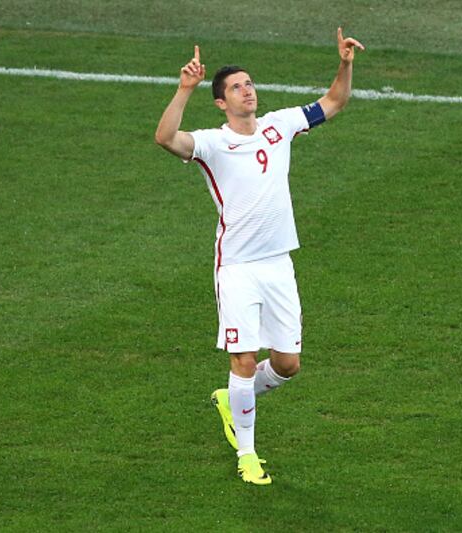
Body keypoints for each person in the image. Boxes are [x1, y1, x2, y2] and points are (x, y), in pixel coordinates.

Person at [154, 28, 364, 485]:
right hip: (237, 268)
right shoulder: (211, 143)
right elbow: (165, 137)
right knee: (244, 361)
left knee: (287, 364)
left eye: (249, 83)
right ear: (221, 102)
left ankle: (232, 399)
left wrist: (345, 63)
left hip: (278, 264)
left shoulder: (279, 125)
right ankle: (247, 455)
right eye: (236, 87)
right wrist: (185, 88)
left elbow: (335, 101)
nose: (247, 90)